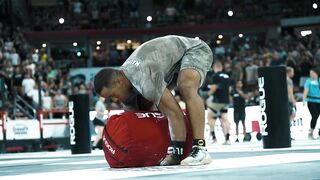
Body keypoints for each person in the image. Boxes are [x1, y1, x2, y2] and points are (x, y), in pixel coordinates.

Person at [94, 35, 213, 166]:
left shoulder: (145, 79)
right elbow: (143, 119)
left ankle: (200, 149)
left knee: (185, 86)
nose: (114, 100)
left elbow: (174, 113)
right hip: (168, 65)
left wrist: (176, 154)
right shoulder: (126, 85)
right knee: (143, 105)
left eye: (113, 95)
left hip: (193, 49)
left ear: (118, 82)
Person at [206, 61, 231, 145]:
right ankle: (227, 139)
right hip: (226, 100)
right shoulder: (227, 76)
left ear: (215, 68)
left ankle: (214, 138)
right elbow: (229, 89)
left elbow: (214, 88)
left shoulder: (215, 76)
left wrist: (207, 94)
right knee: (225, 119)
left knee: (210, 117)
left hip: (217, 101)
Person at [302, 67, 320, 140]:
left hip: (319, 101)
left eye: (312, 73)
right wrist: (303, 99)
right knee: (315, 116)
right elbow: (306, 90)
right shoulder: (308, 81)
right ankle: (311, 132)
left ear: (316, 73)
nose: (311, 74)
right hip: (311, 101)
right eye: (310, 73)